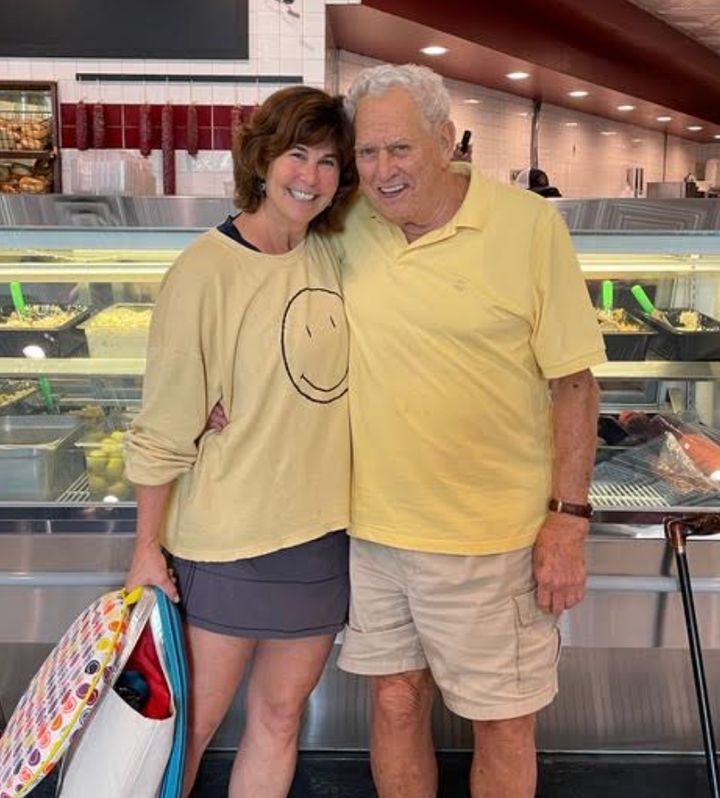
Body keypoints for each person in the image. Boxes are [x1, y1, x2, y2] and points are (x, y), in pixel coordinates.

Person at [334, 64, 605, 798]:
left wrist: (567, 523)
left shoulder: (526, 225)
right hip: (375, 531)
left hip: (492, 537)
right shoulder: (346, 224)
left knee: (504, 722)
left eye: (400, 150)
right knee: (392, 701)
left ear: (446, 141)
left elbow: (575, 383)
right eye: (367, 153)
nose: (382, 172)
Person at [123, 85, 358, 798]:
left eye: (327, 162)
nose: (309, 177)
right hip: (225, 538)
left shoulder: (335, 255)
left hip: (320, 531)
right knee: (187, 728)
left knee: (282, 717)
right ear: (261, 159)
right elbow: (165, 423)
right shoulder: (204, 271)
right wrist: (144, 549)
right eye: (296, 154)